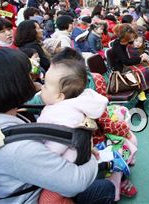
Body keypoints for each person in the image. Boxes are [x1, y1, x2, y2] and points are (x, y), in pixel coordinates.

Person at [0, 48, 115, 203]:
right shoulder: (16, 148)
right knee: (105, 188)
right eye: (28, 76)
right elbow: (75, 182)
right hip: (33, 197)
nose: (34, 80)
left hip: (31, 185)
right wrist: (91, 154)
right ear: (11, 86)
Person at [37, 59, 109, 203]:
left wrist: (37, 157)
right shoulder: (67, 106)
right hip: (75, 159)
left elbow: (56, 146)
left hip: (63, 170)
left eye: (45, 85)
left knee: (48, 200)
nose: (41, 87)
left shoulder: (62, 114)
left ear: (59, 96)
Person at [111, 24, 149, 106]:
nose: (132, 39)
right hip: (122, 69)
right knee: (145, 74)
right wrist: (141, 58)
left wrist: (145, 53)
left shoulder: (127, 41)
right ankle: (141, 102)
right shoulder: (117, 44)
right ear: (125, 36)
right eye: (130, 37)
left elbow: (141, 47)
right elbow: (125, 61)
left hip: (130, 65)